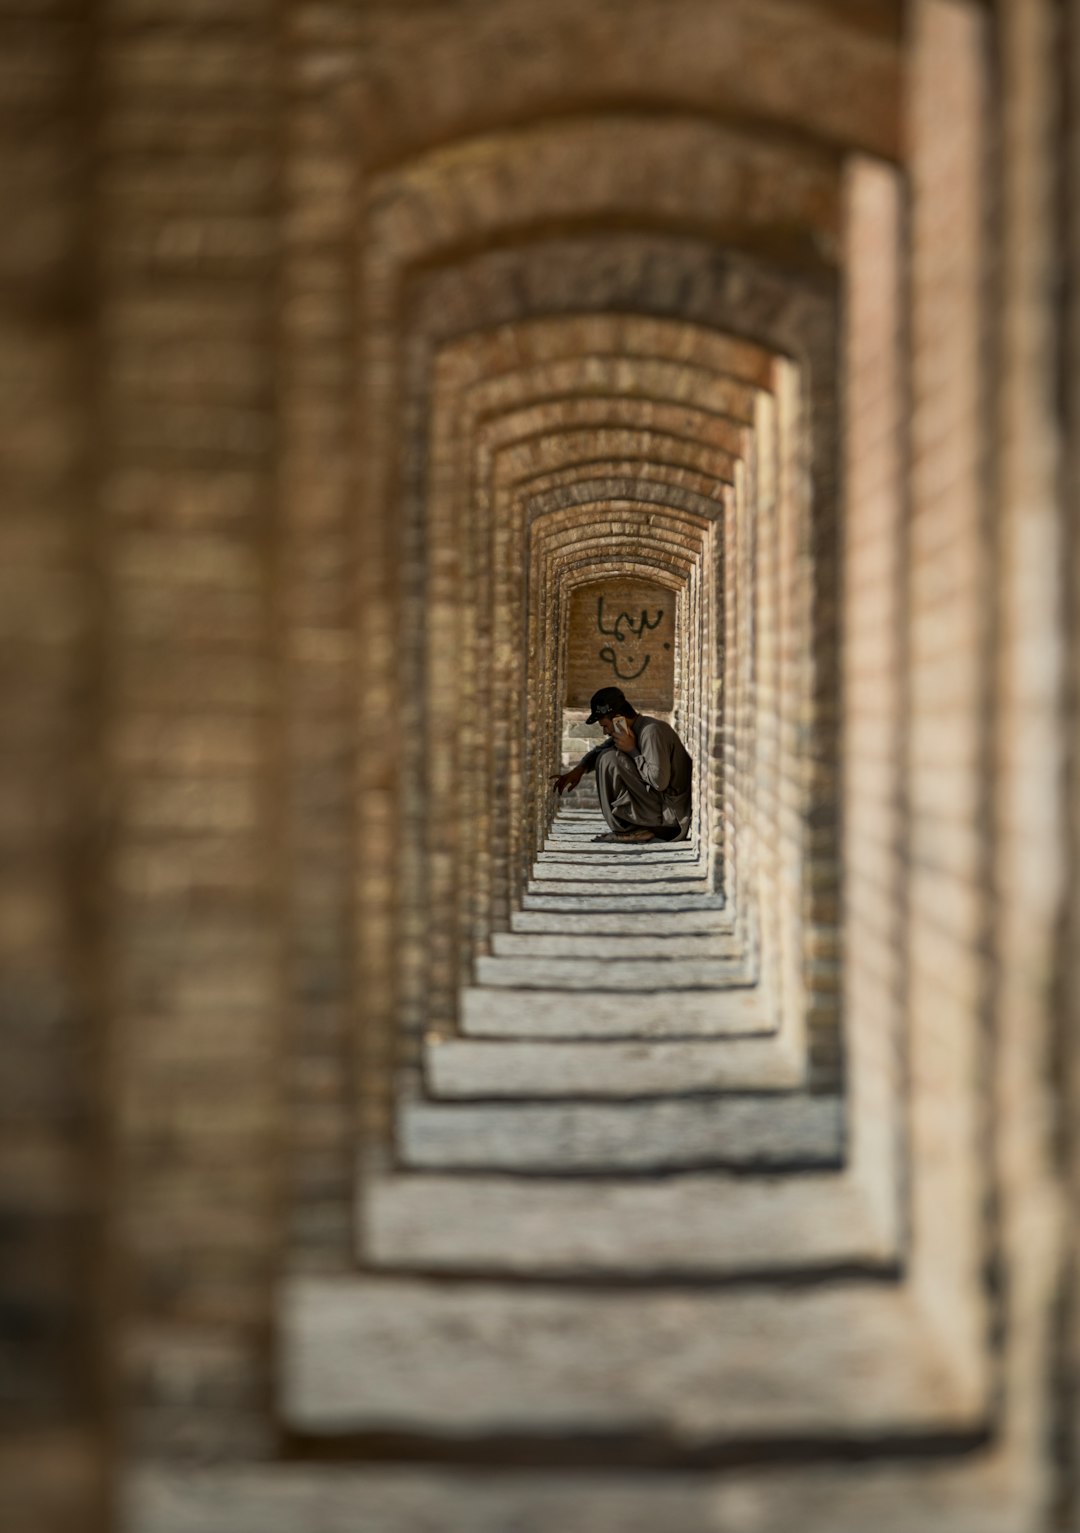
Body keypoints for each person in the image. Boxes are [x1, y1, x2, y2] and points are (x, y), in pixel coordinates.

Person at [550, 685, 692, 843]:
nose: (605, 732)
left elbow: (659, 782)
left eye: (605, 726)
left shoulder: (651, 732)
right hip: (661, 811)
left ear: (619, 719)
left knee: (610, 759)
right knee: (605, 755)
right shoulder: (633, 730)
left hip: (671, 818)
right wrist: (579, 770)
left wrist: (632, 751)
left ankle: (638, 829)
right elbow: (599, 750)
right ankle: (637, 829)